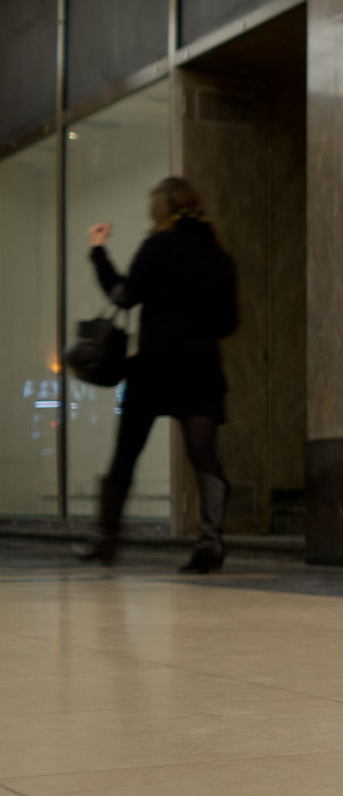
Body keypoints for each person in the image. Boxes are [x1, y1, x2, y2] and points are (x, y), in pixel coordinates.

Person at [76, 177, 238, 572]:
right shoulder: (220, 257)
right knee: (204, 456)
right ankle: (210, 544)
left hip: (154, 370)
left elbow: (123, 295)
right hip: (200, 369)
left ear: (162, 210)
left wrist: (98, 251)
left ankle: (106, 540)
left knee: (126, 454)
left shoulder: (159, 246)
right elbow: (229, 323)